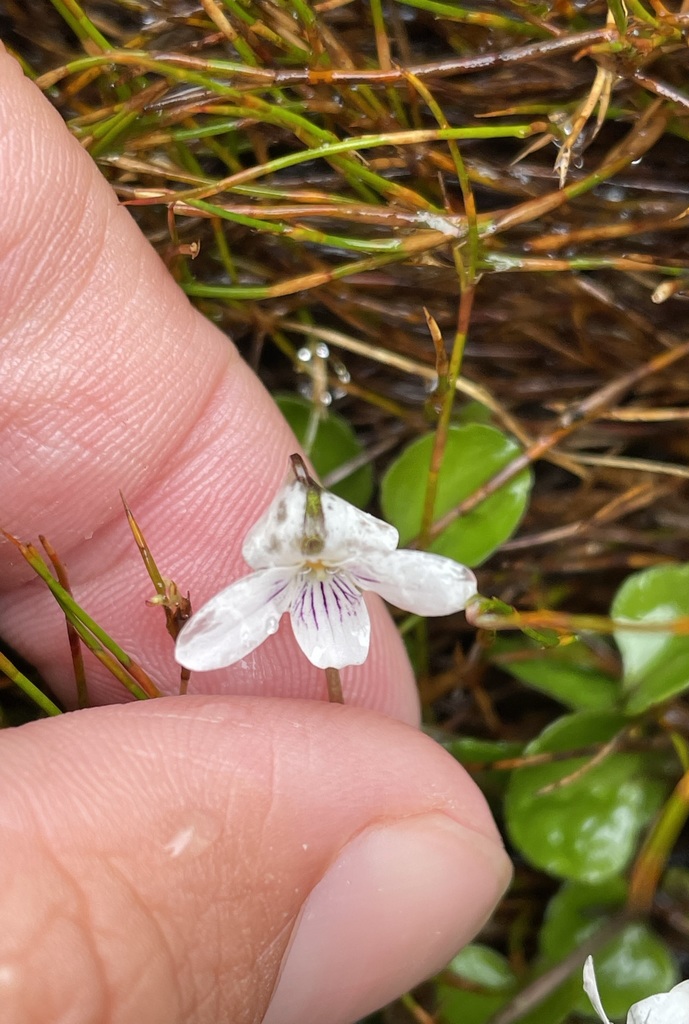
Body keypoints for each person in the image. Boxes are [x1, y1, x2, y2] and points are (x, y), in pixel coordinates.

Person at [0, 46, 511, 1024]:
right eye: (306, 555)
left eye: (326, 557)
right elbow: (225, 628)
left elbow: (421, 583)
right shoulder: (300, 570)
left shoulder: (334, 564)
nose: (319, 574)